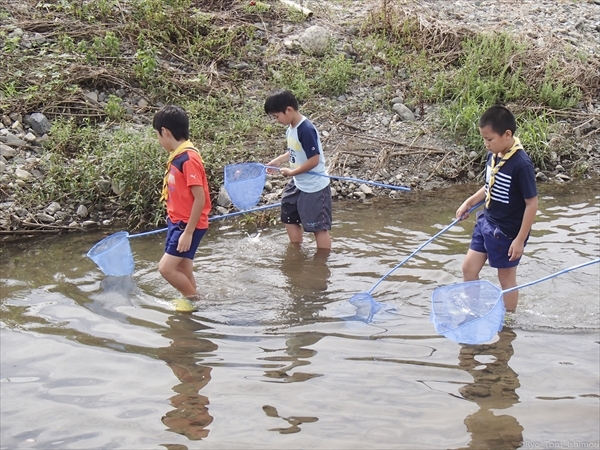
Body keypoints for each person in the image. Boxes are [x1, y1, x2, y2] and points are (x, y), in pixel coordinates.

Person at [456, 105, 538, 312]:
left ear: (507, 134)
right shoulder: (493, 156)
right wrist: (469, 202)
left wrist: (519, 240)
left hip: (507, 232)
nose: (486, 144)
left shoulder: (521, 165)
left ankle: (508, 323)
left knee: (506, 279)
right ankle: (472, 311)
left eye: (489, 139)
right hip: (486, 222)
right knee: (468, 268)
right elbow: (488, 187)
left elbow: (531, 204)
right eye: (484, 139)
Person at [153, 105, 212, 309]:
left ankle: (195, 302)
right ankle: (195, 303)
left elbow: (200, 198)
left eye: (157, 135)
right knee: (184, 269)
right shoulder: (178, 156)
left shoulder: (188, 159)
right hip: (177, 222)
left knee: (166, 269)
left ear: (165, 132)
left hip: (187, 225)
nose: (159, 141)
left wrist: (187, 232)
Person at [264, 89, 332, 249]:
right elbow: (295, 151)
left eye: (276, 116)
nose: (276, 120)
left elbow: (314, 160)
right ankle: (296, 250)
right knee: (288, 214)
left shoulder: (305, 129)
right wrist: (279, 160)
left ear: (288, 110)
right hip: (298, 183)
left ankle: (321, 264)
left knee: (318, 228)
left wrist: (292, 172)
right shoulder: (291, 128)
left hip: (314, 186)